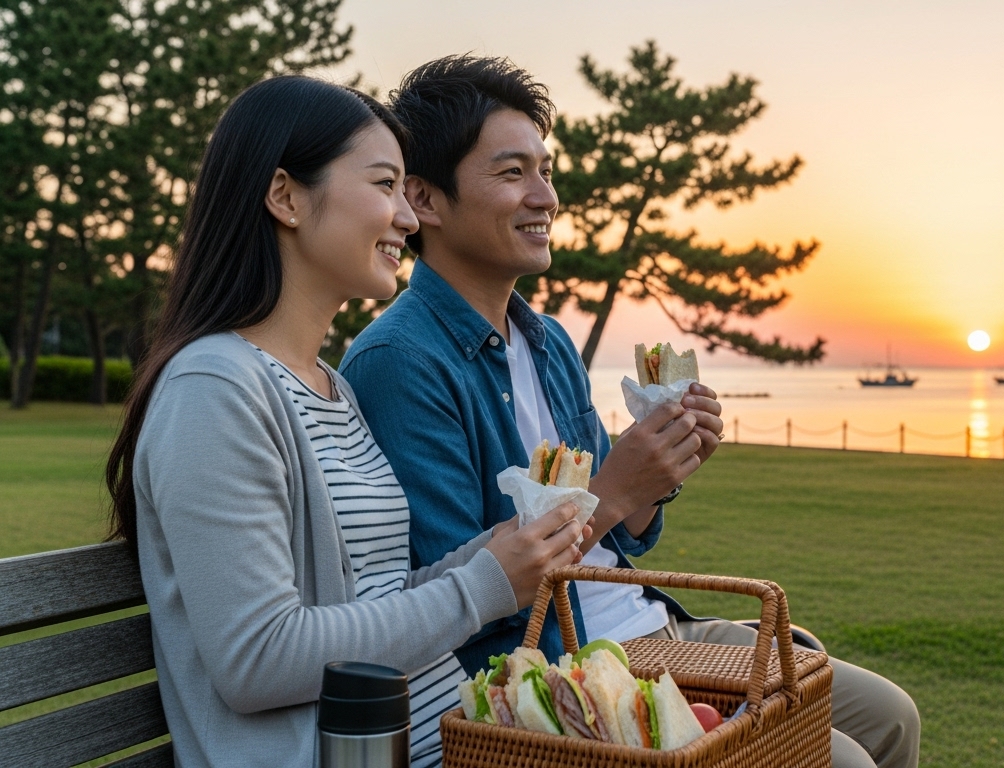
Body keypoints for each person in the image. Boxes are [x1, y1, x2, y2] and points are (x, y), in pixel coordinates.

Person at [340, 56, 921, 768]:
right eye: (512, 172)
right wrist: (615, 491)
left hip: (651, 627)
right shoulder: (400, 361)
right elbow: (467, 598)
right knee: (845, 760)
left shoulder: (547, 340)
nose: (545, 196)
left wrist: (658, 470)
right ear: (425, 201)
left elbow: (629, 538)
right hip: (566, 666)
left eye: (545, 171)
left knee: (892, 716)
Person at [104, 76, 586, 768]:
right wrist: (482, 587)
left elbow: (378, 599)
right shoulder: (214, 388)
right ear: (286, 197)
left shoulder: (328, 385)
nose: (408, 219)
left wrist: (502, 553)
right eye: (384, 186)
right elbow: (259, 659)